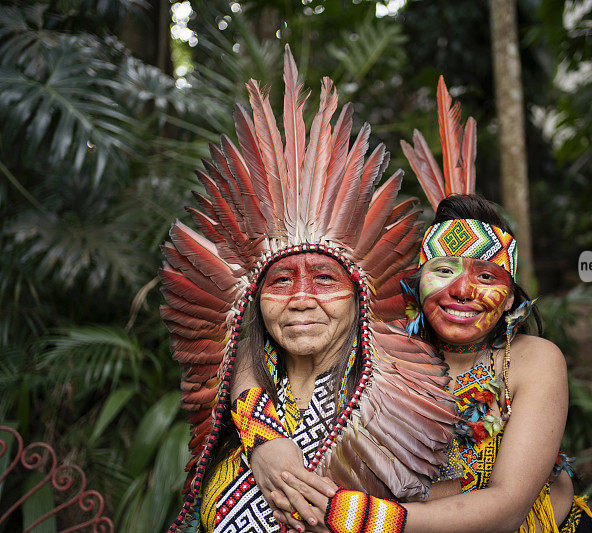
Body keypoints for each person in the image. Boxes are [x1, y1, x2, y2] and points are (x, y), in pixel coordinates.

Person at [268, 79, 592, 533]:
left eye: (486, 276)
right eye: (444, 270)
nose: (463, 291)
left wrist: (365, 518)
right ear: (417, 282)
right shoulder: (380, 343)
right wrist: (263, 441)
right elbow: (251, 348)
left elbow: (507, 509)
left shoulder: (533, 361)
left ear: (509, 299)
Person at [160, 47, 459, 533]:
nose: (302, 297)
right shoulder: (248, 389)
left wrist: (365, 519)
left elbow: (504, 498)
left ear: (361, 293)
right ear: (253, 300)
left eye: (324, 278)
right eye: (281, 280)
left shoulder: (416, 384)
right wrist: (258, 432)